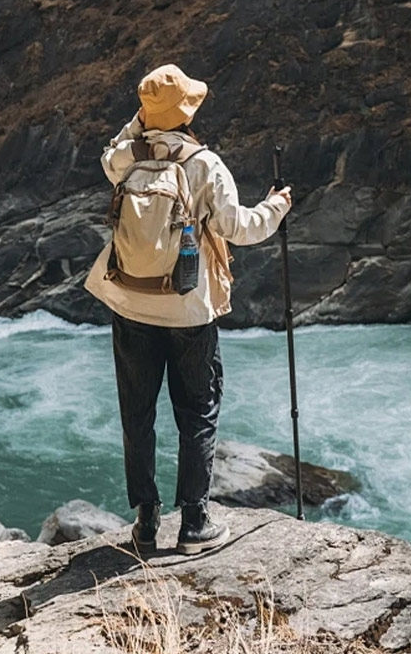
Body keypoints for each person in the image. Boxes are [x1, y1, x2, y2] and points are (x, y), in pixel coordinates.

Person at [85, 63, 292, 555]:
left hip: (130, 302)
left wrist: (143, 121)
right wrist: (277, 206)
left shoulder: (125, 160)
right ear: (188, 111)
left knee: (137, 413)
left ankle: (146, 521)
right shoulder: (204, 164)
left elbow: (110, 151)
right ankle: (195, 521)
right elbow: (240, 229)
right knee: (197, 410)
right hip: (188, 310)